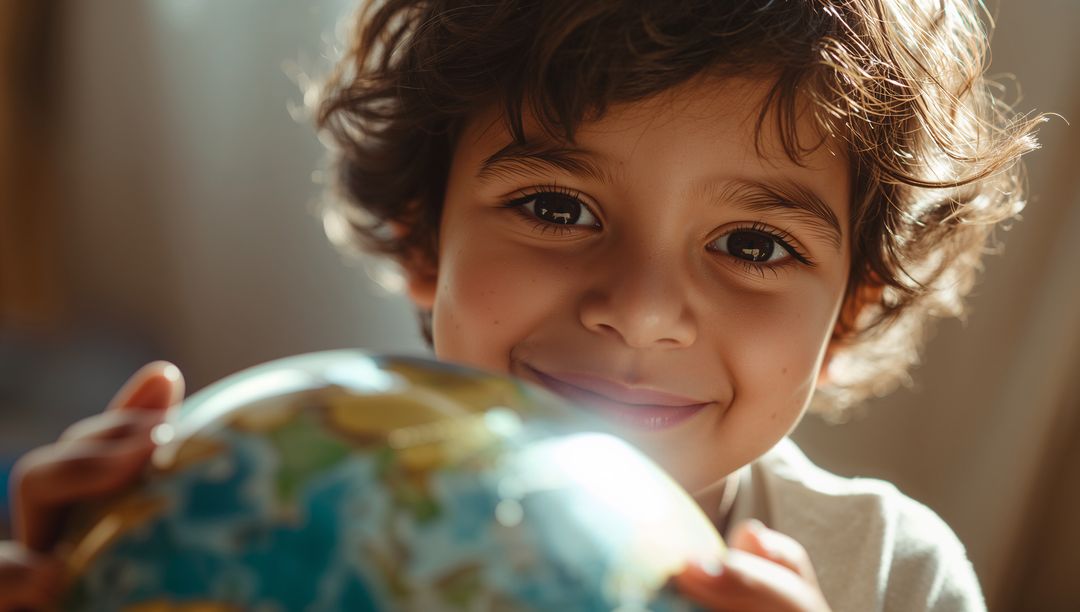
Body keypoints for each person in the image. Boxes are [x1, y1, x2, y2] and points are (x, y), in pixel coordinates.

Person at [0, 1, 1045, 610]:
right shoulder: (275, 508)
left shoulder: (890, 577)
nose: (639, 313)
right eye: (557, 206)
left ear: (848, 314)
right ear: (421, 235)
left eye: (755, 244)